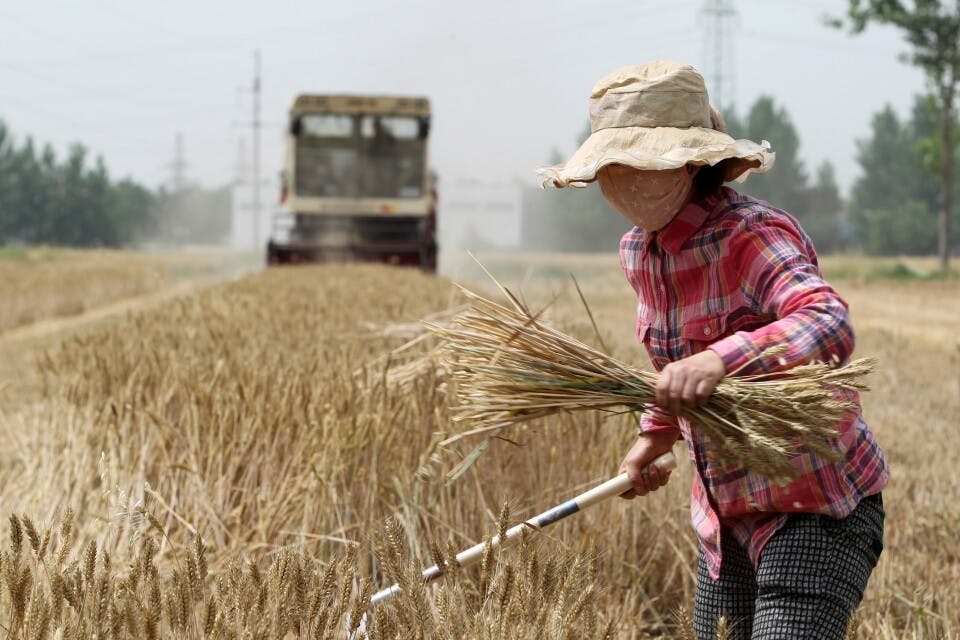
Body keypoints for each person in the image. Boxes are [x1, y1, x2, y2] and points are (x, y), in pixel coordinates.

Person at [538, 61, 889, 639]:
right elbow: (672, 364)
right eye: (615, 166)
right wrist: (654, 435)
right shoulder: (639, 253)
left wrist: (723, 358)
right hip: (724, 517)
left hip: (814, 507)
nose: (630, 179)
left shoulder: (749, 236)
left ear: (693, 161)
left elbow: (827, 323)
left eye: (646, 161)